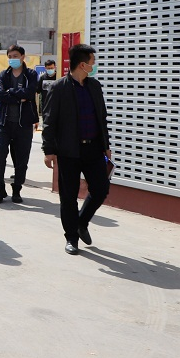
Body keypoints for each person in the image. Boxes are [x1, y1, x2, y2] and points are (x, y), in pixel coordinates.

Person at [42, 45, 111, 255]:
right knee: (68, 196)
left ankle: (82, 222)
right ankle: (71, 237)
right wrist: (48, 150)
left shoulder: (94, 86)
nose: (94, 65)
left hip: (94, 149)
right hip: (68, 151)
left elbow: (102, 118)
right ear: (82, 65)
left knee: (101, 189)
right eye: (92, 62)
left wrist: (106, 146)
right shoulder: (59, 88)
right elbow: (49, 121)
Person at [0, 44, 38, 204]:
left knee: (21, 159)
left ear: (23, 57)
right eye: (10, 57)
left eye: (15, 56)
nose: (12, 59)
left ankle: (17, 189)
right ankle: (0, 188)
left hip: (23, 124)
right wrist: (18, 98)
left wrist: (10, 92)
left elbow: (30, 93)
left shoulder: (30, 74)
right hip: (3, 123)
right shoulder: (4, 75)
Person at [36, 59, 57, 129]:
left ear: (55, 67)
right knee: (46, 123)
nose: (50, 70)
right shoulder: (42, 77)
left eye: (51, 68)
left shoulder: (58, 77)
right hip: (45, 105)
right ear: (45, 68)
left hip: (56, 104)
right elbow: (37, 90)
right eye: (48, 68)